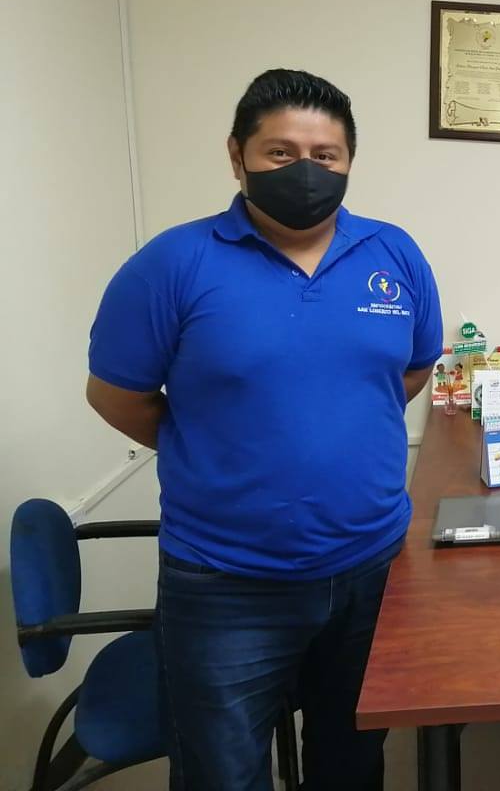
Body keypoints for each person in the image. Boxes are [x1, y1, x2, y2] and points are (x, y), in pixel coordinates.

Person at [86, 69, 443, 791]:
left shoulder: (394, 255)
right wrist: (217, 442)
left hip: (371, 569)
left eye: (325, 154)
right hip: (226, 583)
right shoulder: (172, 264)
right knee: (222, 773)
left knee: (352, 764)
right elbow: (117, 396)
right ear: (237, 155)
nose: (306, 170)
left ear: (348, 161)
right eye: (281, 152)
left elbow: (410, 370)